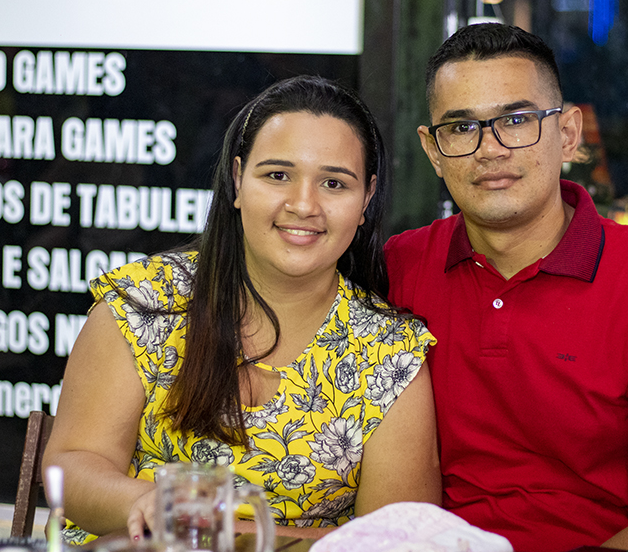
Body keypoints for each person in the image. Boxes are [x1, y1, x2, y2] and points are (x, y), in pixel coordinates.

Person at [385, 23, 628, 552]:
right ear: (433, 150)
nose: (490, 149)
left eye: (517, 120)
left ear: (569, 134)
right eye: (461, 128)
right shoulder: (398, 269)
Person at [44, 76, 441, 544]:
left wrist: (227, 533)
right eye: (277, 176)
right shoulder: (147, 303)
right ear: (237, 179)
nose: (303, 205)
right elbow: (72, 466)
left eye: (333, 183)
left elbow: (395, 538)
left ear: (366, 199)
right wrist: (144, 504)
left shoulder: (390, 355)